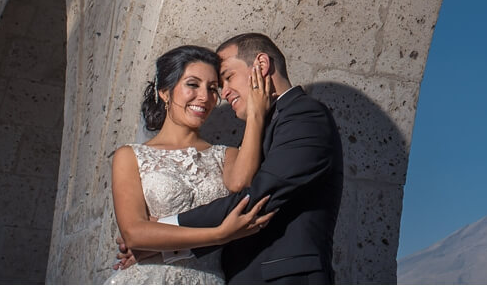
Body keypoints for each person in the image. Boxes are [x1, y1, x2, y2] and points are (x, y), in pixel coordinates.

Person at [117, 33, 344, 284]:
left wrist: (162, 232)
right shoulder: (264, 130)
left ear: (261, 66)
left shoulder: (305, 115)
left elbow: (259, 194)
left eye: (225, 80)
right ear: (164, 92)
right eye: (194, 84)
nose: (221, 94)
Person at [105, 44, 276, 285]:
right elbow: (134, 234)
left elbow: (242, 185)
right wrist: (219, 234)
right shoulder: (129, 156)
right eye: (193, 84)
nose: (205, 97)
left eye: (212, 88)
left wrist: (256, 115)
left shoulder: (227, 154)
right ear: (165, 92)